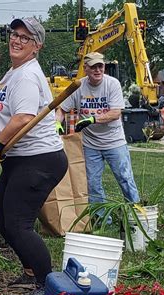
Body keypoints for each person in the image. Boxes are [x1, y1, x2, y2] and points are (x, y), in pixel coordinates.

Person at [0, 17, 68, 295]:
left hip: (39, 159)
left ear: (37, 46)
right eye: (14, 34)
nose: (16, 40)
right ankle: (31, 271)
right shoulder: (13, 72)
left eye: (24, 37)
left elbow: (23, 118)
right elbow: (6, 111)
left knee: (18, 223)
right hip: (18, 157)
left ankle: (47, 283)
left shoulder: (28, 75)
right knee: (3, 220)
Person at [56, 52, 140, 209]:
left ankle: (135, 212)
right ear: (86, 68)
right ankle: (100, 217)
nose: (97, 70)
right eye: (93, 67)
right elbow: (61, 109)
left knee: (125, 178)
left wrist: (93, 119)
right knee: (92, 182)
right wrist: (56, 124)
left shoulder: (112, 84)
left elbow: (116, 113)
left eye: (100, 66)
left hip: (114, 142)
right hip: (90, 145)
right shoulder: (79, 87)